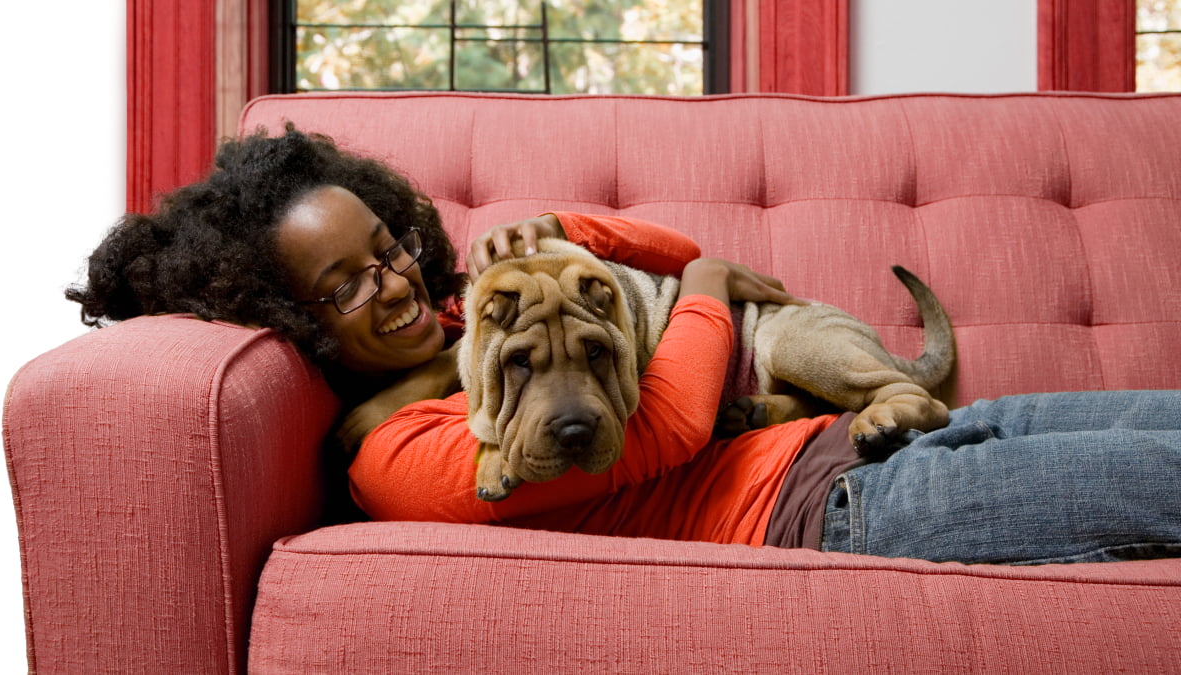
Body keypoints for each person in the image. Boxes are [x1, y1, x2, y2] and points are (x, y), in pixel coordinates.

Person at [68, 126, 1181, 566]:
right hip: (843, 512)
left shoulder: (481, 318)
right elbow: (673, 422)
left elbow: (678, 253)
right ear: (292, 314)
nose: (397, 281)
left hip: (866, 433)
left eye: (389, 247)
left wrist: (569, 234)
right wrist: (699, 289)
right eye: (345, 282)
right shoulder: (396, 454)